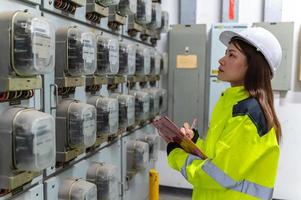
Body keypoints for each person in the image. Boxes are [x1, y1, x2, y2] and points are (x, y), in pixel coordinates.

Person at [166, 27, 282, 200]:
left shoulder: (248, 116)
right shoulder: (233, 104)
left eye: (232, 55)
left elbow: (216, 175)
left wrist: (177, 155)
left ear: (253, 66)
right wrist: (193, 141)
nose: (221, 60)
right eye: (226, 53)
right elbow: (219, 156)